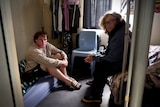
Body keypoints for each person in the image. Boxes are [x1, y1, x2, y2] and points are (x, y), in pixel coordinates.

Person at [81, 11, 132, 103]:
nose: (108, 25)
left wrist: (95, 58)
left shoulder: (120, 35)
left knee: (101, 66)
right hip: (120, 60)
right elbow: (109, 50)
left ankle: (96, 96)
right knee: (99, 61)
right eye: (106, 23)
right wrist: (96, 55)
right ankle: (96, 82)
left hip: (123, 63)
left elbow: (113, 57)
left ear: (117, 20)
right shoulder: (116, 32)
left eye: (111, 21)